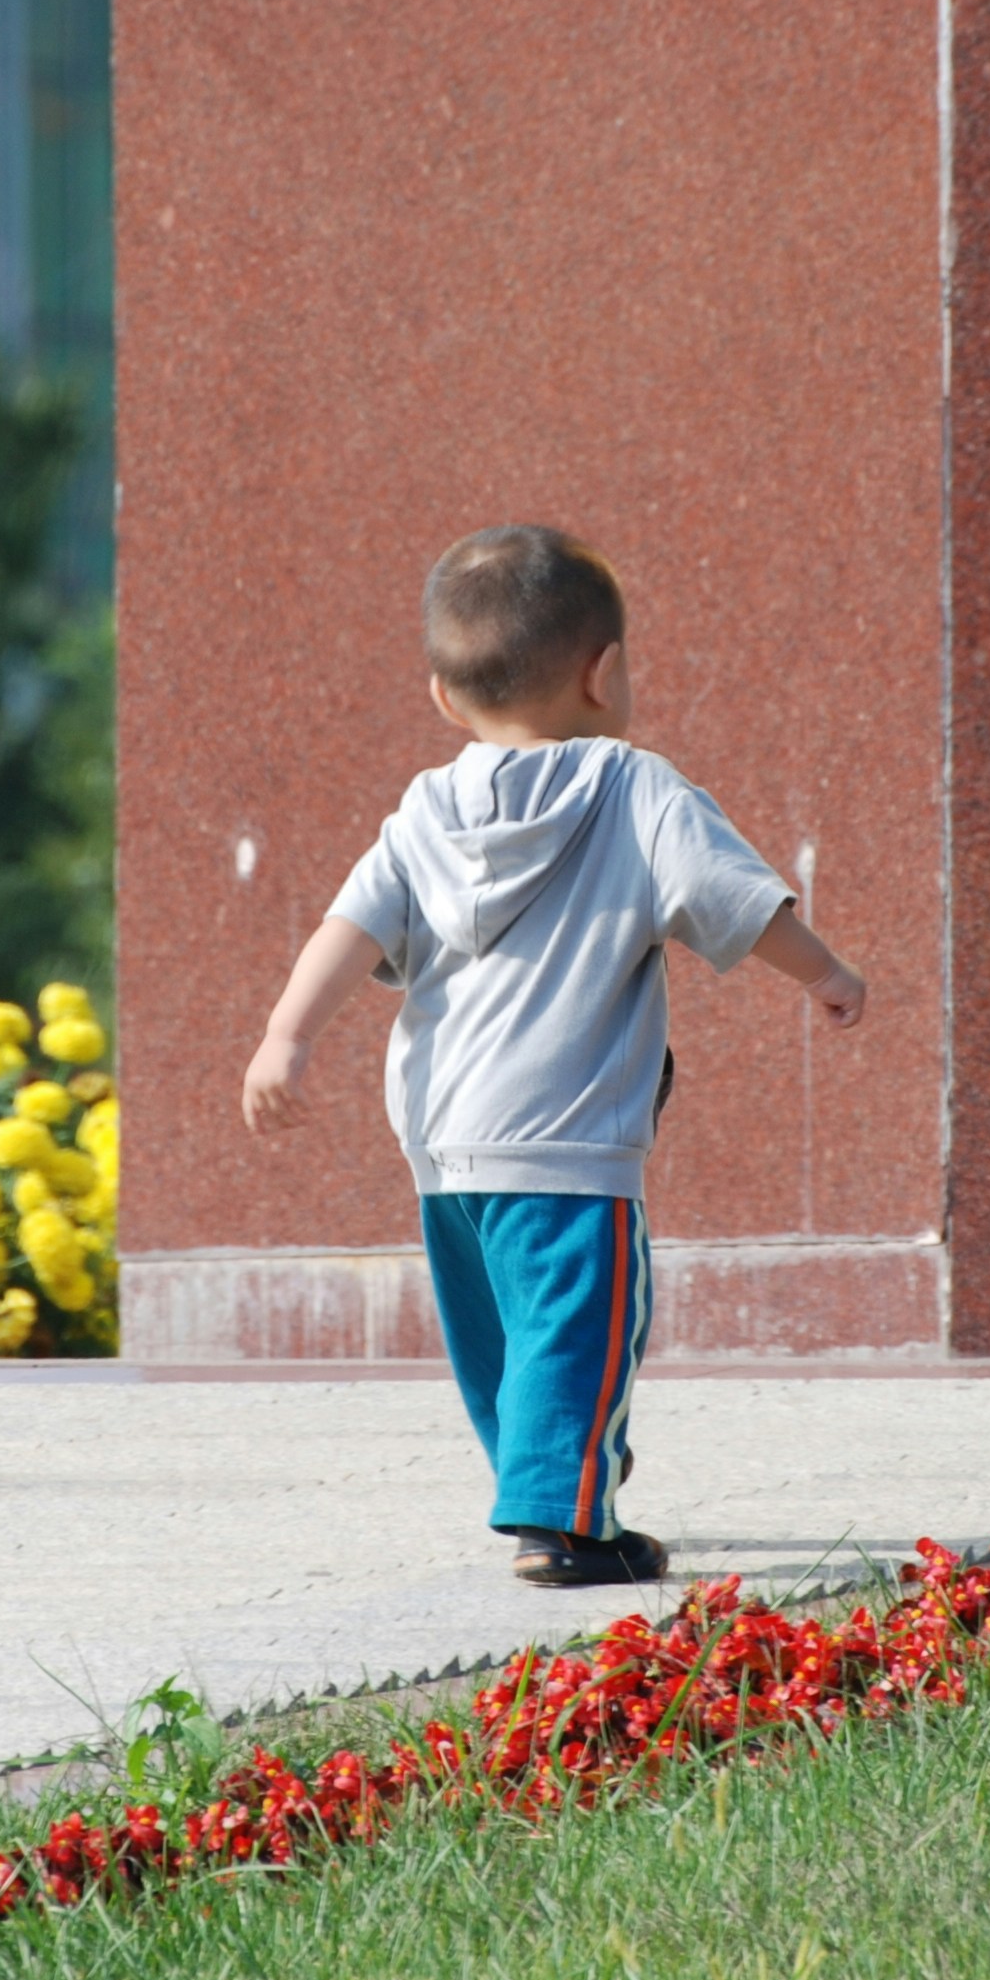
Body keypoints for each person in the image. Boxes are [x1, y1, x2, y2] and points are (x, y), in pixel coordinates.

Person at [239, 525, 868, 1586]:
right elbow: (734, 898)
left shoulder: (425, 810)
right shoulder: (632, 787)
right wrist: (823, 972)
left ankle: (553, 1487)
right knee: (581, 1322)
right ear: (605, 672)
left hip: (442, 1138)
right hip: (566, 1133)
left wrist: (285, 1037)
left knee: (500, 1339)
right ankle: (564, 1526)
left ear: (445, 697)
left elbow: (346, 927)